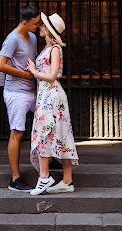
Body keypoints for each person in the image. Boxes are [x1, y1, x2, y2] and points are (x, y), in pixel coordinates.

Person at [26, 12, 78, 195]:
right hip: (47, 95)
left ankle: (44, 177)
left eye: (43, 25)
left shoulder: (55, 49)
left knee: (45, 133)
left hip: (51, 96)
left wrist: (34, 71)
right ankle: (66, 180)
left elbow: (53, 75)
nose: (40, 27)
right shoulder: (48, 48)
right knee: (58, 134)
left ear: (48, 30)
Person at [0, 5, 41, 191]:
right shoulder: (12, 39)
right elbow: (0, 65)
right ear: (25, 22)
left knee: (47, 122)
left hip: (32, 91)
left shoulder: (32, 37)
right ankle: (15, 179)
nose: (38, 26)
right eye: (35, 23)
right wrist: (24, 75)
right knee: (18, 132)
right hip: (16, 92)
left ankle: (48, 159)